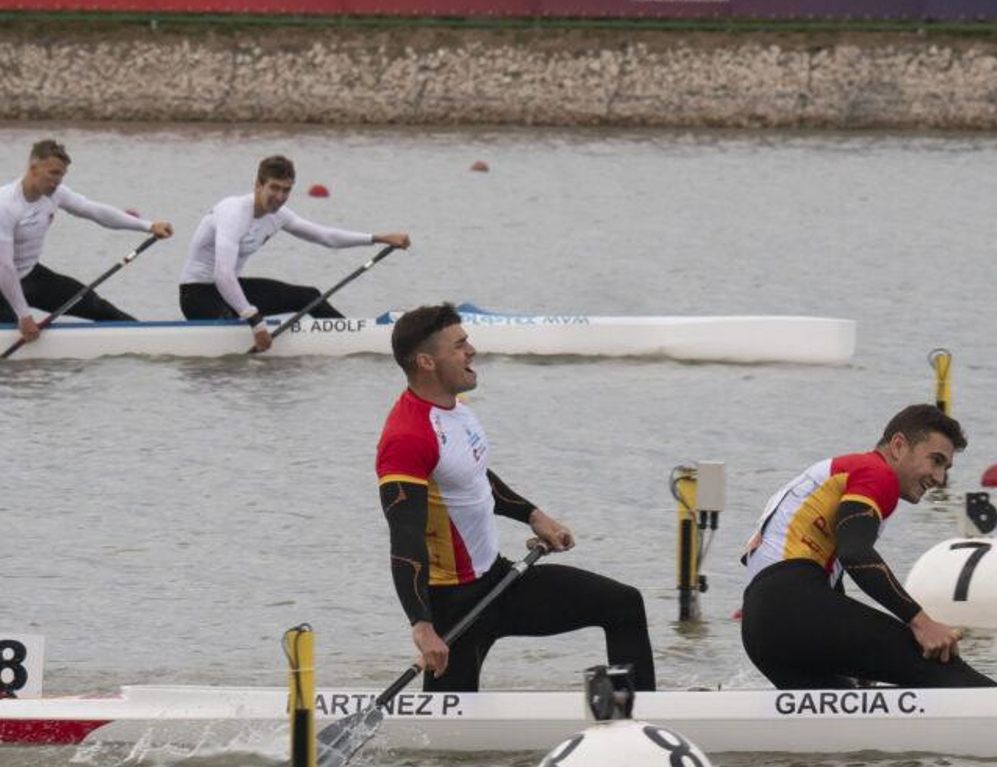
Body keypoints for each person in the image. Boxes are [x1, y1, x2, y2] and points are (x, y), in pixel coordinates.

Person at [375, 303, 656, 693]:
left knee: (623, 605)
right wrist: (421, 626)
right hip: (454, 607)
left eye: (467, 341)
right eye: (459, 345)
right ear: (426, 361)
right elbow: (404, 536)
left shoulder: (457, 409)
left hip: (498, 582)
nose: (471, 350)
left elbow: (474, 476)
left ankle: (639, 722)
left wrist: (532, 515)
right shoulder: (406, 438)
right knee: (451, 743)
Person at [741, 404, 997, 689]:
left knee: (849, 715)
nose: (939, 478)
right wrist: (921, 622)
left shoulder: (836, 473)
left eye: (945, 468)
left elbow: (821, 574)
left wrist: (856, 658)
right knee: (940, 664)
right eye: (935, 461)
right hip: (790, 606)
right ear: (898, 446)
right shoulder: (876, 473)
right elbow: (856, 553)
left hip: (759, 630)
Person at [178, 155, 410, 352]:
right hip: (197, 294)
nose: (279, 197)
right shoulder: (233, 212)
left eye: (286, 190)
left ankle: (355, 342)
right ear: (258, 185)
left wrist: (378, 238)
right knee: (237, 328)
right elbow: (222, 274)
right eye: (274, 188)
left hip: (229, 291)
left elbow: (326, 237)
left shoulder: (279, 215)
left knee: (309, 296)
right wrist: (256, 322)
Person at [0, 139, 174, 342]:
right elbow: (4, 266)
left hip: (30, 276)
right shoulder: (5, 205)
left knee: (96, 306)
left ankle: (150, 342)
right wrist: (24, 316)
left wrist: (148, 226)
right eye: (53, 173)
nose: (57, 181)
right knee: (12, 333)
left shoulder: (55, 194)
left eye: (62, 175)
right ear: (34, 168)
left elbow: (94, 211)